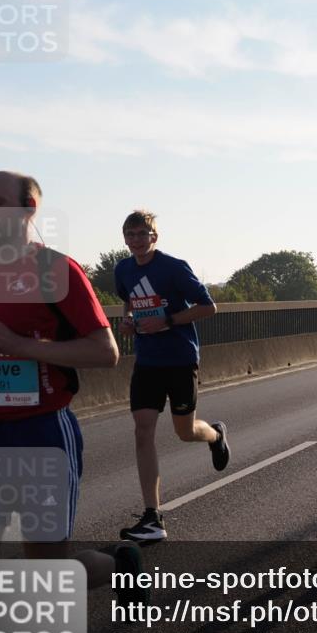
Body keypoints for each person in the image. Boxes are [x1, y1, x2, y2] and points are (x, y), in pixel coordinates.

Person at [0, 171, 147, 633]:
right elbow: (3, 347)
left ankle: (118, 566)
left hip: (41, 432)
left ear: (28, 208)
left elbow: (105, 352)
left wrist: (22, 347)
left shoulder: (59, 271)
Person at [115, 210, 230, 542]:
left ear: (154, 237)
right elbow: (129, 303)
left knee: (185, 431)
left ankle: (215, 435)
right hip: (147, 362)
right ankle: (152, 516)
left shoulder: (174, 267)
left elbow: (208, 307)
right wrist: (128, 322)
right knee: (142, 431)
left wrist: (167, 321)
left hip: (180, 359)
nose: (136, 240)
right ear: (125, 239)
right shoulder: (123, 269)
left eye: (142, 234)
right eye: (130, 234)